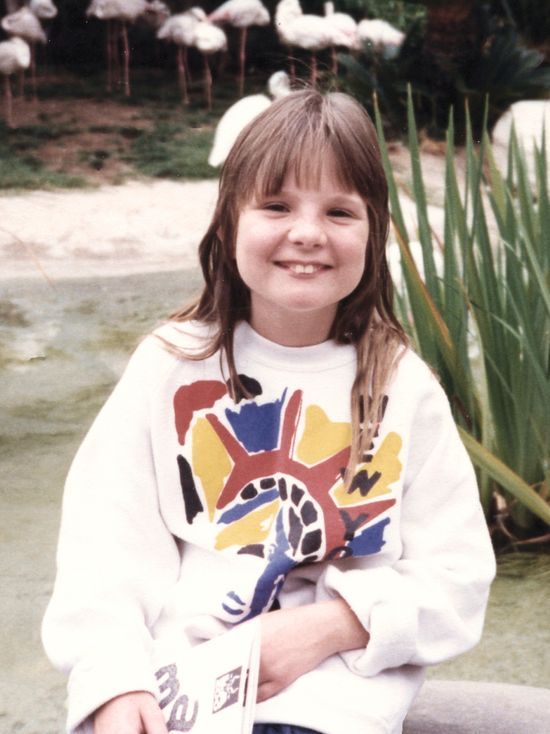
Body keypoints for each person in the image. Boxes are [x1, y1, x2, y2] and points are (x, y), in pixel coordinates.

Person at [42, 89, 496, 734]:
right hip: (181, 695)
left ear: (375, 232)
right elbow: (104, 551)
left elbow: (459, 577)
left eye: (340, 211)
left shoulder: (403, 388)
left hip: (333, 707)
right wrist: (114, 681)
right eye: (277, 205)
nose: (307, 233)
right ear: (228, 222)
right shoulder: (169, 369)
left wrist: (335, 623)